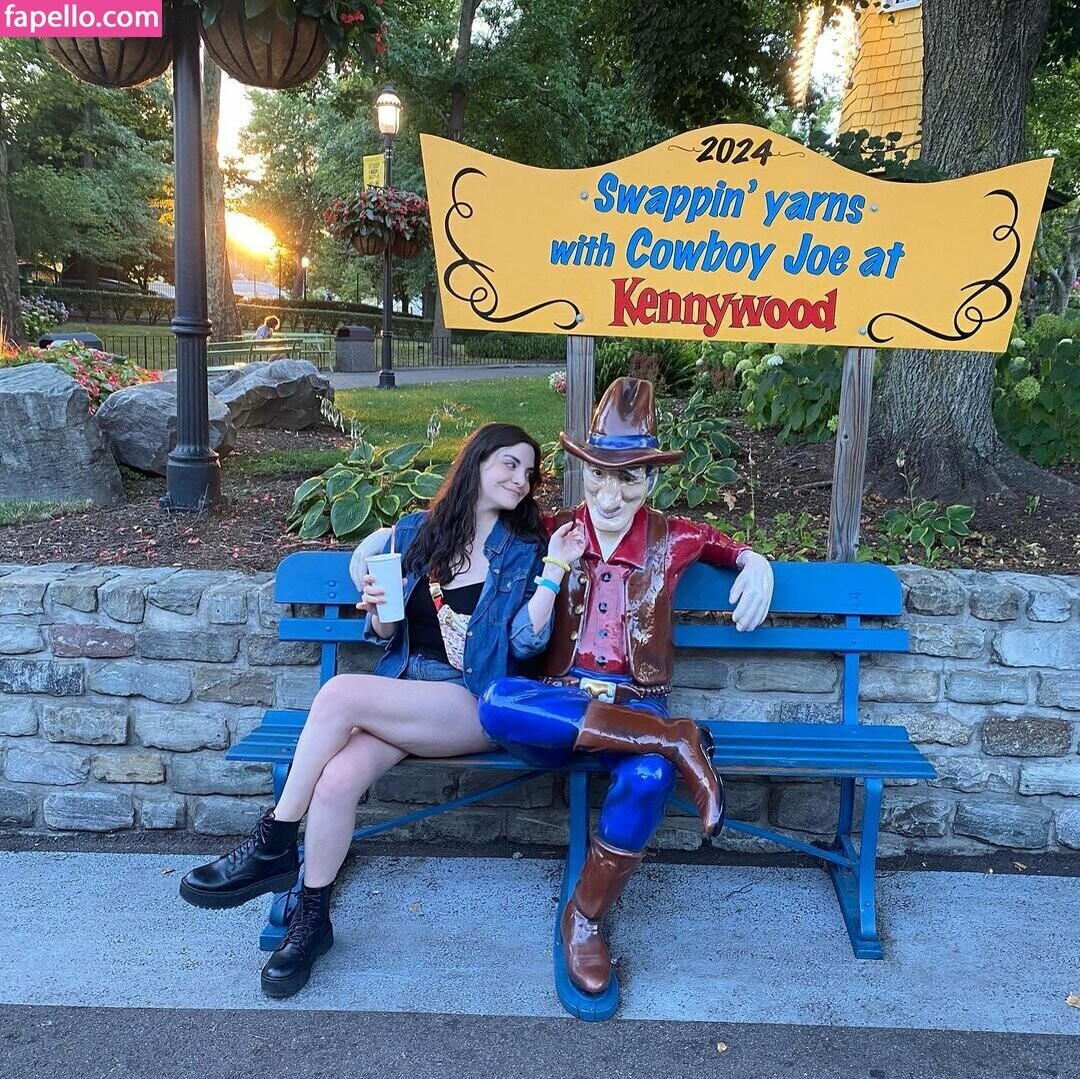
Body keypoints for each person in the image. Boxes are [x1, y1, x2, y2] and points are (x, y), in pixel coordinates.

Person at [179, 423, 586, 998]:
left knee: (340, 694)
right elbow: (388, 632)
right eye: (509, 464)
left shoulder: (525, 549)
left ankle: (272, 842)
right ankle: (311, 921)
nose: (521, 479)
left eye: (529, 470)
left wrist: (554, 570)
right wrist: (377, 608)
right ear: (476, 462)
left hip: (477, 701)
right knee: (336, 781)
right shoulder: (419, 532)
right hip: (406, 692)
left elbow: (523, 645)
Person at [478, 377, 774, 997]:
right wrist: (382, 543)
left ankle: (585, 920)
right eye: (598, 477)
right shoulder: (555, 531)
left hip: (635, 703)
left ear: (651, 481)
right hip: (561, 702)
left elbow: (727, 547)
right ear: (581, 472)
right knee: (499, 701)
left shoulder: (674, 537)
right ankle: (676, 739)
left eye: (629, 479)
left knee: (648, 776)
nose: (610, 497)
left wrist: (756, 562)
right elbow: (469, 530)